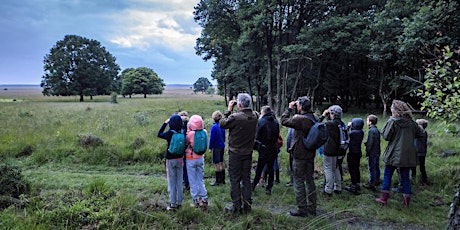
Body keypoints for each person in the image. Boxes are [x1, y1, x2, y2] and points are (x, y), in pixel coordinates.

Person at [375, 100, 425, 208]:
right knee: (405, 177)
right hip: (407, 155)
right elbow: (421, 133)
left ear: (395, 110)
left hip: (394, 153)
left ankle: (383, 199)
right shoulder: (412, 123)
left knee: (387, 174)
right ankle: (406, 202)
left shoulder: (393, 121)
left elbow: (386, 136)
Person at [219, 93, 258, 214]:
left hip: (235, 152)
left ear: (239, 104)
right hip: (248, 151)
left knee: (234, 179)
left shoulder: (235, 117)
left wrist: (229, 110)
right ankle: (247, 205)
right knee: (246, 178)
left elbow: (222, 123)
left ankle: (236, 205)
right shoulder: (255, 115)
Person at [281, 96, 317, 217]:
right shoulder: (314, 117)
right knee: (310, 180)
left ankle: (302, 209)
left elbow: (283, 121)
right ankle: (312, 208)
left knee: (299, 181)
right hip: (310, 153)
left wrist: (289, 109)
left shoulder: (300, 119)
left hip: (300, 154)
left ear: (300, 107)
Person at [157, 114, 184, 211]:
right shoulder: (183, 132)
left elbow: (159, 134)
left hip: (170, 159)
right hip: (180, 159)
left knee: (172, 182)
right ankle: (179, 202)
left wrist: (165, 123)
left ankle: (173, 204)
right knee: (179, 181)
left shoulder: (169, 133)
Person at [252, 106, 280, 195]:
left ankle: (253, 186)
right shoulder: (275, 122)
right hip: (273, 148)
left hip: (264, 148)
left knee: (259, 168)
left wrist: (256, 146)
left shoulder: (261, 122)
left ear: (263, 112)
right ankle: (269, 187)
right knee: (271, 168)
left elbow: (257, 136)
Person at [319, 105, 343, 196]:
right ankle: (338, 187)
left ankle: (328, 189)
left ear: (332, 114)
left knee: (328, 169)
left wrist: (323, 115)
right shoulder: (341, 123)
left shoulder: (330, 124)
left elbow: (317, 124)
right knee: (335, 168)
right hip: (338, 149)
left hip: (329, 149)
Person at [185, 115, 209, 208]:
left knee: (192, 180)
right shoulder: (205, 132)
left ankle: (196, 200)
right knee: (200, 179)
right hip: (200, 158)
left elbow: (186, 143)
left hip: (191, 159)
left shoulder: (191, 134)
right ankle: (204, 198)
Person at [344, 118, 365, 194]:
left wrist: (348, 126)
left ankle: (353, 186)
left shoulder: (353, 133)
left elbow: (345, 133)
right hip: (358, 152)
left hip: (352, 153)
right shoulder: (361, 132)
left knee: (352, 169)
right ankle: (357, 184)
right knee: (356, 168)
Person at [363, 114, 381, 191]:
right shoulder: (377, 130)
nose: (367, 122)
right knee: (376, 166)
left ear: (370, 122)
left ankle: (372, 183)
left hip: (372, 152)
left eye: (367, 120)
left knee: (372, 167)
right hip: (377, 151)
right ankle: (377, 180)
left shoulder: (371, 131)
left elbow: (370, 142)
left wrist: (367, 150)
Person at [209, 110, 226, 186]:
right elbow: (224, 136)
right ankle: (223, 179)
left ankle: (218, 180)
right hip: (222, 145)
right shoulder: (222, 126)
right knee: (222, 161)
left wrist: (210, 147)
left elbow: (212, 138)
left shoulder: (214, 127)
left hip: (216, 146)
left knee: (217, 163)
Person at [411, 119, 429, 187]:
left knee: (413, 167)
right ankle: (424, 181)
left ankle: (414, 179)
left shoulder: (419, 133)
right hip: (422, 152)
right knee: (422, 167)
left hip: (417, 152)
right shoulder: (425, 132)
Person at [178, 111, 190, 191]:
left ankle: (185, 182)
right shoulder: (190, 125)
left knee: (183, 166)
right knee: (187, 167)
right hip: (189, 149)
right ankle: (188, 182)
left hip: (181, 149)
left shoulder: (178, 127)